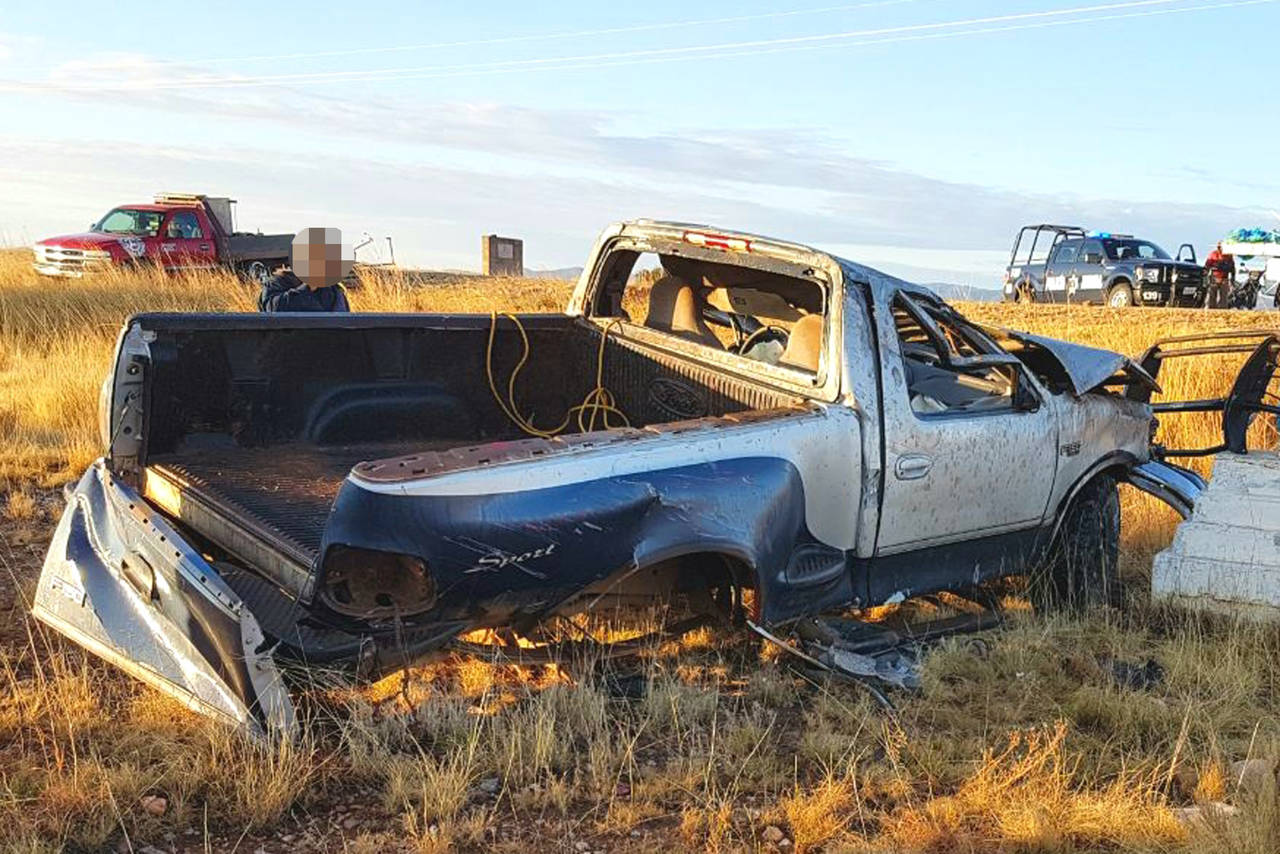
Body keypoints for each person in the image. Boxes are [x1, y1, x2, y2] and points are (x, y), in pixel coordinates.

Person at [258, 227, 352, 312]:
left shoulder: (334, 291)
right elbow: (272, 309)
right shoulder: (278, 282)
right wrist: (308, 287)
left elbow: (343, 319)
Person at [1203, 242, 1235, 309]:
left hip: (1224, 278)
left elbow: (1232, 267)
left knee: (1224, 298)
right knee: (1211, 297)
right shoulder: (1213, 254)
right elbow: (1207, 265)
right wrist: (1205, 275)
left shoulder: (1229, 255)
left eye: (1221, 247)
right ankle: (1211, 310)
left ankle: (1222, 311)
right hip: (1214, 278)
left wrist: (1233, 277)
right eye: (1219, 247)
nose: (1220, 248)